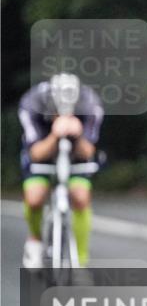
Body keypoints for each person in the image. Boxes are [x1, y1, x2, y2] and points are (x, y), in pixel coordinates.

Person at [19, 73, 104, 270]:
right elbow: (35, 154)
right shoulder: (32, 103)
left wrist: (78, 134)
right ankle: (35, 238)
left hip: (75, 157)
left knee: (81, 197)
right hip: (42, 150)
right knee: (34, 198)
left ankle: (81, 262)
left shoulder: (90, 104)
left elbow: (88, 151)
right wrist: (55, 134)